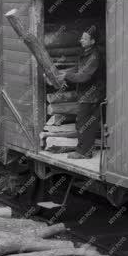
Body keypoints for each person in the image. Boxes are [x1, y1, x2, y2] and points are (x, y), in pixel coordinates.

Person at [56, 25, 105, 159]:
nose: (81, 40)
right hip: (88, 94)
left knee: (84, 124)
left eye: (84, 38)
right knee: (86, 123)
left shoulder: (94, 56)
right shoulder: (86, 53)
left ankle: (84, 152)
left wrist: (66, 76)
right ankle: (84, 151)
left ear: (93, 41)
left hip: (92, 96)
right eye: (82, 37)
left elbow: (83, 76)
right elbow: (79, 71)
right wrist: (64, 74)